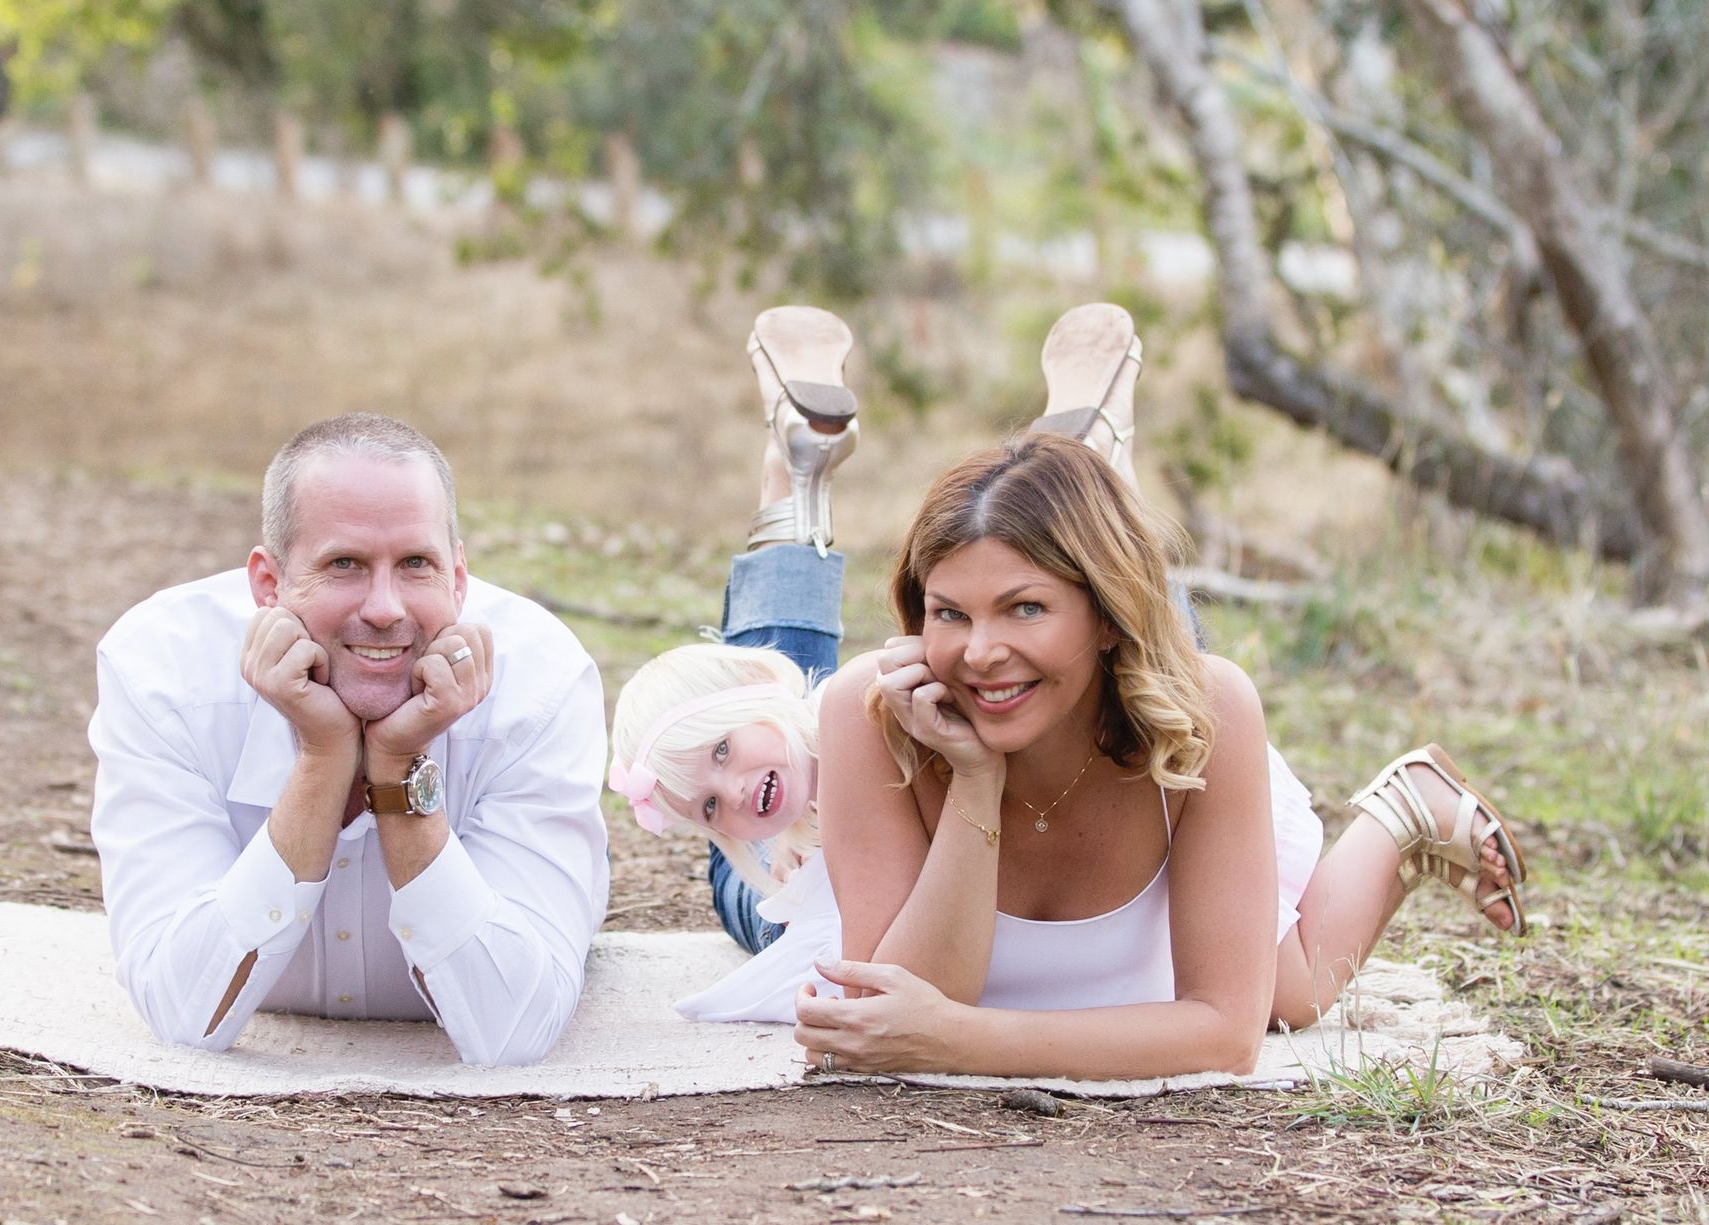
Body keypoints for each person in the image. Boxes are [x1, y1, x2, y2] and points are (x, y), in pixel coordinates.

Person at [609, 307, 1528, 1075]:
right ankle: (1058, 474)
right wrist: (974, 782)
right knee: (1279, 990)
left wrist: (963, 1042)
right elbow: (913, 1000)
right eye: (949, 613)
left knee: (1287, 994)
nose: (979, 653)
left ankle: (1399, 812)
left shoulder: (1211, 710)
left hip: (1134, 709)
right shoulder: (868, 713)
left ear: (1100, 616)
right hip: (1056, 703)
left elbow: (1224, 1034)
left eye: (1024, 607)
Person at [89, 413, 608, 1065]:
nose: (385, 608)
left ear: (458, 578)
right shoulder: (162, 669)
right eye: (345, 564)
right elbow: (179, 1008)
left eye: (415, 563)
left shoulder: (541, 682)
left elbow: (515, 1030)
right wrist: (323, 759)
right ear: (268, 584)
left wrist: (400, 770)